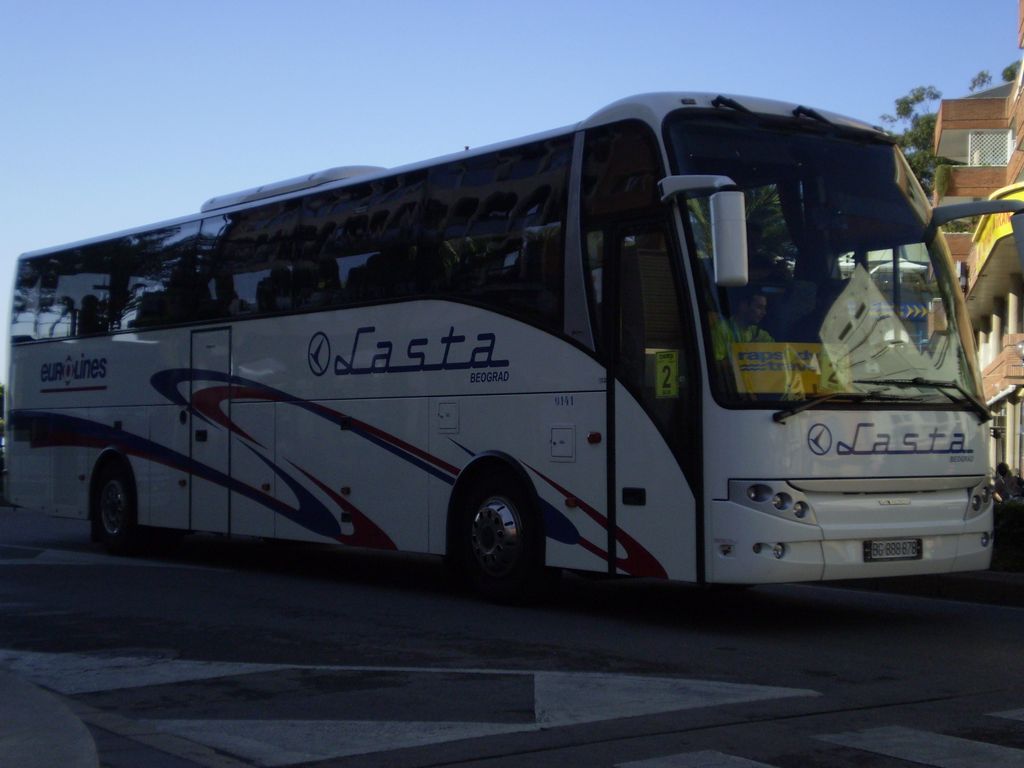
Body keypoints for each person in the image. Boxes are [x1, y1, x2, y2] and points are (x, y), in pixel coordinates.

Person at [712, 287, 774, 361]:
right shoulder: (722, 329)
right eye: (759, 307)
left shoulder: (758, 333)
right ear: (743, 306)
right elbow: (717, 364)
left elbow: (778, 352)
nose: (764, 312)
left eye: (764, 308)